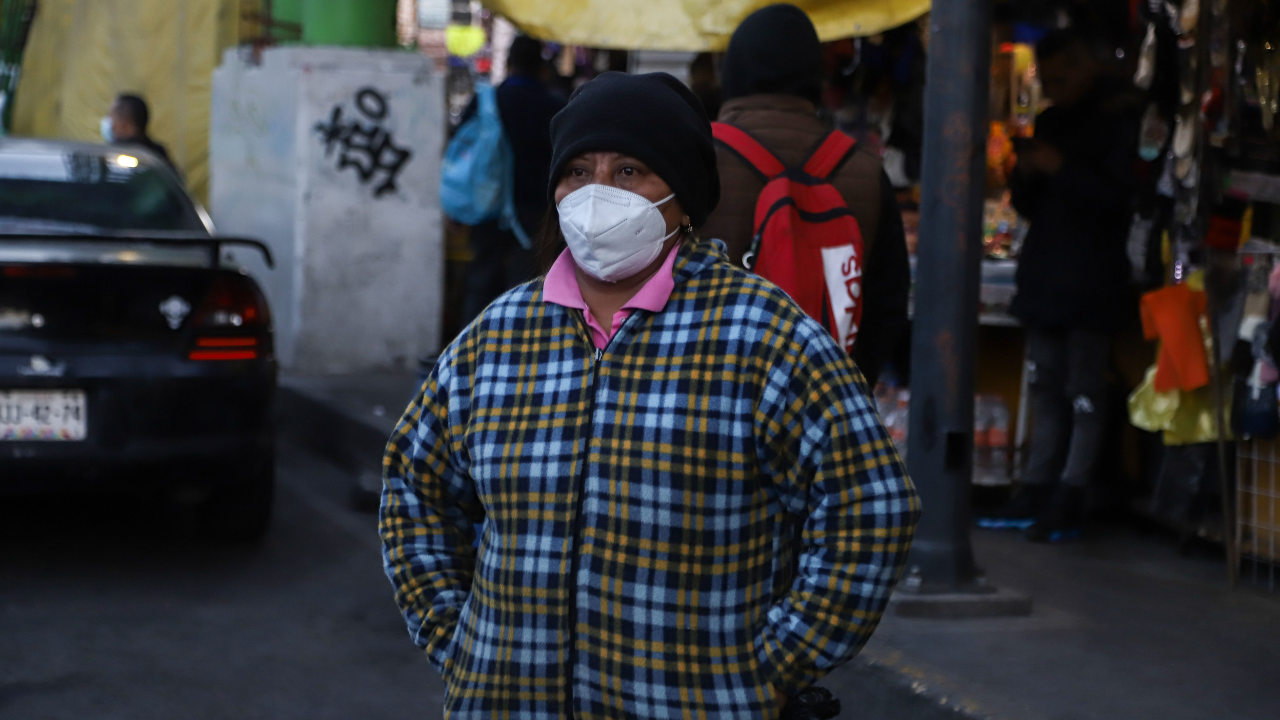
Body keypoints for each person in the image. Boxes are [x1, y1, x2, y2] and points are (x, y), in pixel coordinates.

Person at [381, 71, 919, 718]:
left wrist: (777, 665)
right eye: (578, 171)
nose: (598, 193)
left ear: (684, 199)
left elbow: (871, 506)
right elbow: (414, 487)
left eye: (631, 171)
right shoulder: (497, 337)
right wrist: (457, 640)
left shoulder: (762, 336)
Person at [700, 3, 911, 387]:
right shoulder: (862, 168)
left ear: (732, 69)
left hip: (709, 395)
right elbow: (889, 301)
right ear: (815, 73)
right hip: (822, 399)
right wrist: (848, 384)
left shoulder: (696, 155)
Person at [990, 29, 1141, 542]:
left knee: (1083, 392)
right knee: (1045, 388)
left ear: (1087, 67)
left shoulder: (1119, 123)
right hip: (1047, 278)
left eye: (1062, 75)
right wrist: (1026, 173)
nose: (1054, 87)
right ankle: (1037, 487)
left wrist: (1060, 168)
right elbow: (1034, 208)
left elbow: (1119, 202)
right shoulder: (1052, 121)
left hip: (1093, 282)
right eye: (1048, 78)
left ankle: (1072, 493)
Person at [458, 36, 566, 328]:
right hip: (535, 210)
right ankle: (517, 356)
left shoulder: (485, 101)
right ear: (541, 67)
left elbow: (460, 150)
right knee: (526, 288)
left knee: (481, 280)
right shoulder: (553, 106)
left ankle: (471, 352)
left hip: (487, 205)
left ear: (508, 63)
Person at [101, 94, 174, 170]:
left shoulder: (114, 156)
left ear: (125, 123)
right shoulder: (157, 155)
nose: (109, 122)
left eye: (111, 116)